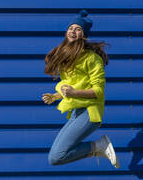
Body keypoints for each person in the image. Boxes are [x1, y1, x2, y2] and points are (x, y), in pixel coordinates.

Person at [42, 10, 120, 169]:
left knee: (58, 156)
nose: (73, 31)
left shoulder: (92, 58)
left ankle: (99, 146)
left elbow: (98, 91)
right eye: (71, 28)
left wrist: (73, 93)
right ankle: (98, 148)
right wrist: (56, 96)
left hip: (90, 113)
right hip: (77, 111)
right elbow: (74, 84)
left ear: (83, 35)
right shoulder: (68, 57)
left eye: (78, 29)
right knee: (53, 157)